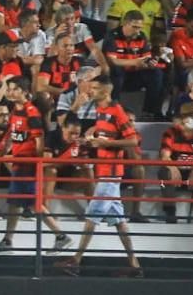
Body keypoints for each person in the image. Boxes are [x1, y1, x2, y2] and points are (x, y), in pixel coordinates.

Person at [57, 77, 143, 277]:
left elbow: (133, 140)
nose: (91, 90)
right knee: (120, 222)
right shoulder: (101, 111)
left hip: (110, 174)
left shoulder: (117, 112)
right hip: (105, 172)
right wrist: (92, 142)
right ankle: (135, 265)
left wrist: (104, 145)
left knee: (91, 217)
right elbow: (107, 139)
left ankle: (76, 261)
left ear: (106, 91)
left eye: (95, 88)